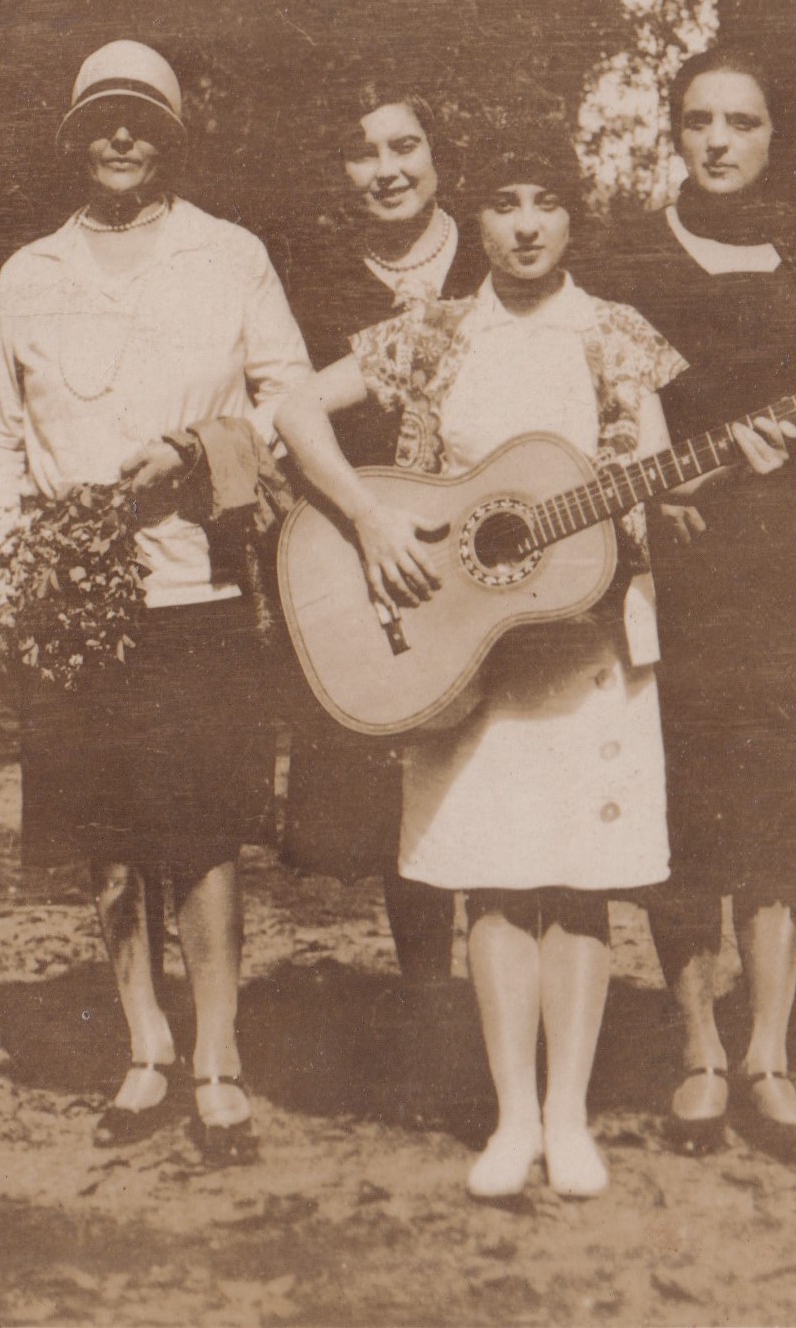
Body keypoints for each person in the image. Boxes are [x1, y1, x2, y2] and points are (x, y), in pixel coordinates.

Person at [276, 124, 790, 1200]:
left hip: (585, 644)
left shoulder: (616, 334)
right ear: (475, 216)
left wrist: (705, 479)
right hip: (461, 645)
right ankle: (511, 1117)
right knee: (494, 884)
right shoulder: (431, 330)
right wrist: (371, 520)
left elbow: (650, 483)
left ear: (571, 216)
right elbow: (288, 407)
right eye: (502, 201)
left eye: (544, 201)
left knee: (578, 885)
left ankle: (570, 1114)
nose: (521, 223)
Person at [0, 40, 312, 1163]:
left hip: (195, 585)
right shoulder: (28, 273)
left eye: (141, 121)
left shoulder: (229, 255)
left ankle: (217, 1055)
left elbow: (290, 401)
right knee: (109, 840)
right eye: (100, 121)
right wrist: (5, 576)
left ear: (170, 137)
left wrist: (202, 451)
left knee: (201, 830)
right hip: (71, 601)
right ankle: (144, 1045)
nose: (120, 138)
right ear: (74, 139)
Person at [588, 48, 796, 1166]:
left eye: (742, 121)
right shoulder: (629, 256)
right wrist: (664, 495)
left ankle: (769, 1052)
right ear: (675, 131)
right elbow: (615, 411)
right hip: (679, 568)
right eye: (699, 119)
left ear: (772, 137)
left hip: (795, 575)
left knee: (786, 815)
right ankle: (699, 1047)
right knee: (687, 812)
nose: (719, 139)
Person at [276, 87, 481, 1012]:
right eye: (362, 153)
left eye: (406, 146)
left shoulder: (501, 250)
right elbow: (285, 415)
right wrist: (362, 517)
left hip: (496, 552)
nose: (387, 170)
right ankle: (433, 1005)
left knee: (505, 767)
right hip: (377, 561)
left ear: (440, 155)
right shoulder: (314, 285)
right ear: (338, 172)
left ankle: (519, 1006)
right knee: (409, 788)